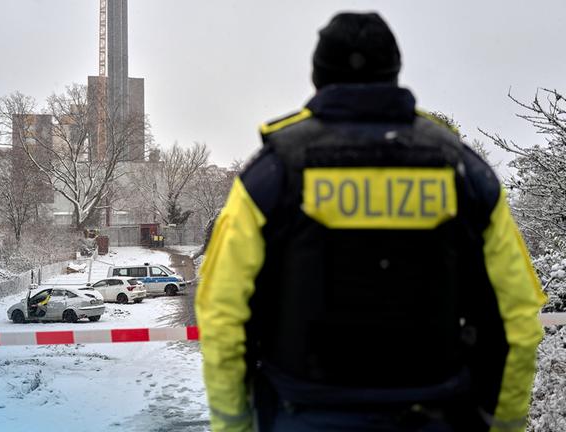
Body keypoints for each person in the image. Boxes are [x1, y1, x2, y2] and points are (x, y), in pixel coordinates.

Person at [195, 12, 546, 432]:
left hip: (302, 415)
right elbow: (518, 315)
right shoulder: (465, 172)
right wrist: (503, 422)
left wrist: (233, 424)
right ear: (395, 72)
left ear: (317, 77)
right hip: (436, 414)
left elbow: (221, 312)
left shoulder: (271, 175)